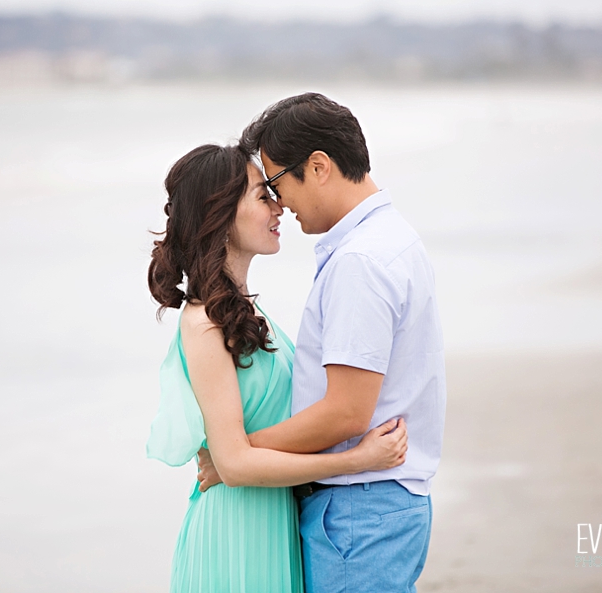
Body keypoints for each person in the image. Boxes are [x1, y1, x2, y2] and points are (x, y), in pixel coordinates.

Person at [198, 93, 447, 592]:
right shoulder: (392, 238)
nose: (278, 202)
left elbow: (346, 413)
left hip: (360, 509)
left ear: (317, 167)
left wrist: (236, 455)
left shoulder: (361, 261)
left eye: (276, 182)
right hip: (376, 505)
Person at [145, 143, 408, 593]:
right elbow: (235, 465)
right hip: (236, 536)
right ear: (221, 216)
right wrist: (355, 460)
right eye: (263, 196)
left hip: (273, 523)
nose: (279, 206)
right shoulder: (204, 322)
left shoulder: (246, 313)